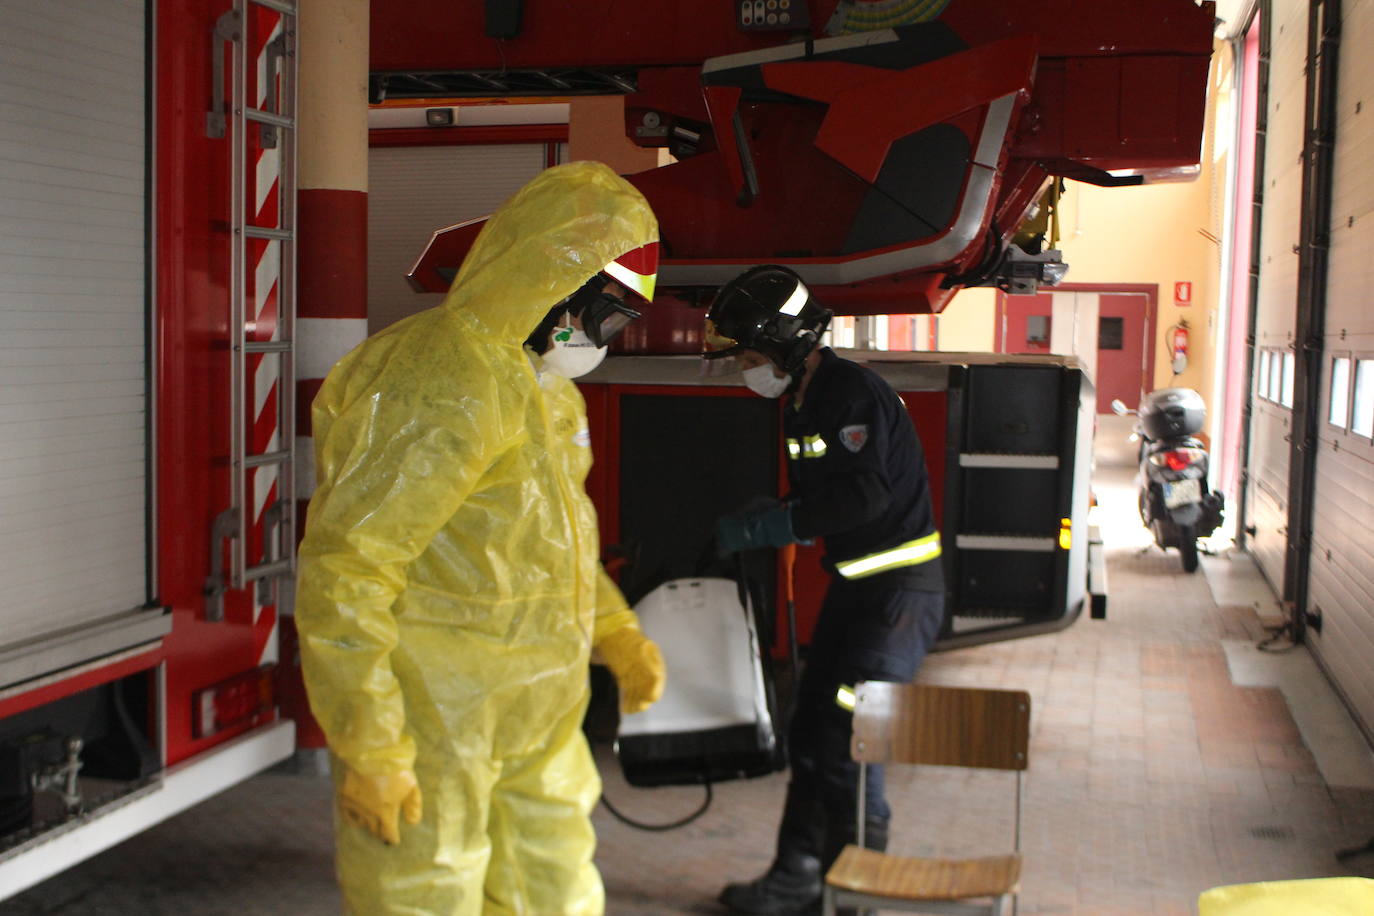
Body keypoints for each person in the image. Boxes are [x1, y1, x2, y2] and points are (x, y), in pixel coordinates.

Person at [295, 161, 666, 916]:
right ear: (547, 284)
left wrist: (614, 628)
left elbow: (554, 543)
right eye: (602, 315)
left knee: (554, 886)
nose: (603, 340)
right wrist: (370, 741)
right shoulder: (441, 376)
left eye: (621, 322)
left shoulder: (546, 392)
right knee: (427, 891)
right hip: (434, 712)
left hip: (541, 706)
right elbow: (350, 567)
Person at [704, 265, 946, 915]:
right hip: (860, 592)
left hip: (897, 597)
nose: (747, 367)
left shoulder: (851, 394)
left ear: (785, 343)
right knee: (810, 732)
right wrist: (783, 510)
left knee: (850, 744)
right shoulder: (804, 399)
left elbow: (865, 497)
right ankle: (797, 877)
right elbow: (826, 493)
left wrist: (777, 522)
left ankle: (852, 895)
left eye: (751, 354)